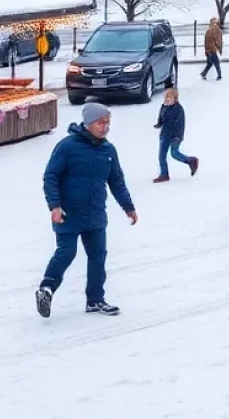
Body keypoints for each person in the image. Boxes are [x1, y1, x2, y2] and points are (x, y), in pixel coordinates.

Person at [36, 102, 136, 319]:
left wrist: (128, 207)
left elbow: (116, 181)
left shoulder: (109, 150)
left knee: (98, 256)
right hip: (68, 213)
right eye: (101, 122)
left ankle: (95, 300)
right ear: (89, 122)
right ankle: (46, 289)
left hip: (95, 214)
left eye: (108, 123)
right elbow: (50, 177)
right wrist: (54, 206)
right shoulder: (67, 147)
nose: (105, 127)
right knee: (66, 253)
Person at [153, 84, 198, 183]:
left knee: (174, 153)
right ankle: (164, 174)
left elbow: (179, 123)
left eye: (169, 98)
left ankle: (191, 160)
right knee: (161, 155)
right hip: (165, 134)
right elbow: (161, 117)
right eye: (166, 98)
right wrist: (159, 123)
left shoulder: (178, 109)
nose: (167, 100)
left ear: (175, 99)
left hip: (175, 135)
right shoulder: (164, 106)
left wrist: (177, 136)